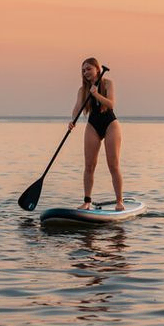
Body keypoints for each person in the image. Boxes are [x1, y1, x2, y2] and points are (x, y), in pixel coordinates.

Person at [68, 58, 124, 211]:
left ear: (97, 69)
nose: (85, 72)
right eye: (83, 70)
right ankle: (87, 202)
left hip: (110, 124)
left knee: (113, 165)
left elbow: (111, 104)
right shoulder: (82, 90)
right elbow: (77, 108)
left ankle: (120, 201)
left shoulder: (107, 84)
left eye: (88, 69)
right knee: (89, 165)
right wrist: (73, 120)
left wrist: (96, 94)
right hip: (93, 124)